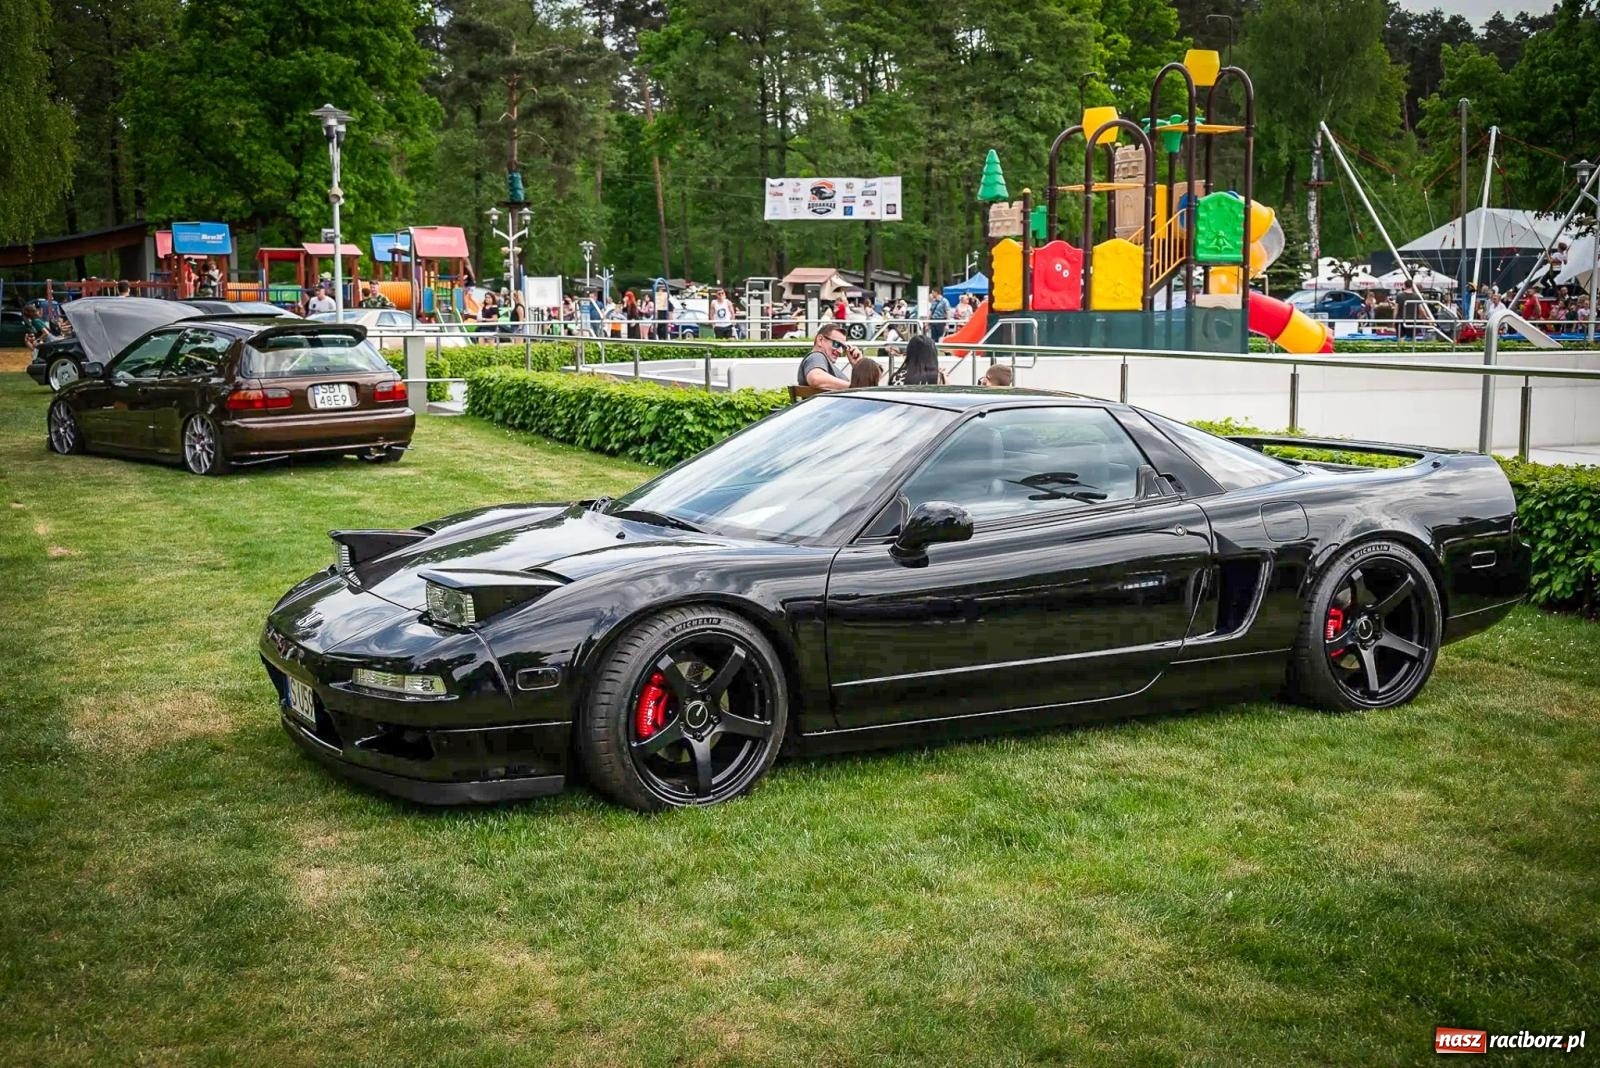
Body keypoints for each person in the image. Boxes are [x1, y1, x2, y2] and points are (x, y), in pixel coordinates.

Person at [797, 322, 854, 391]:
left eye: (843, 347)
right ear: (820, 340)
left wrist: (856, 364)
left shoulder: (821, 360)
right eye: (836, 344)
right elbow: (815, 378)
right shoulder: (816, 356)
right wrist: (853, 387)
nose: (840, 351)